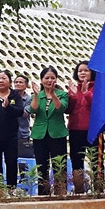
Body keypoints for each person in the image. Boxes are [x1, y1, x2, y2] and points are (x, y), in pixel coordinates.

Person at [30, 67, 68, 195]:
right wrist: (35, 94)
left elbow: (60, 108)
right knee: (41, 167)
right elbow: (33, 110)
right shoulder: (37, 95)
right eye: (46, 78)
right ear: (41, 80)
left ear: (56, 79)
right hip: (40, 135)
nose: (49, 80)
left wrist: (53, 94)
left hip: (57, 134)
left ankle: (60, 193)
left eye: (52, 77)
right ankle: (43, 194)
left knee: (59, 167)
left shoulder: (62, 94)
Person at [66, 61, 96, 193]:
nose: (82, 73)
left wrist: (86, 93)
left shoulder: (98, 87)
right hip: (75, 129)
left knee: (96, 160)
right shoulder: (74, 88)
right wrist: (72, 96)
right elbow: (68, 110)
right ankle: (79, 190)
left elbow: (97, 107)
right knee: (77, 161)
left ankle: (99, 190)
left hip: (94, 130)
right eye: (80, 71)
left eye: (86, 70)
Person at [14, 75, 34, 159]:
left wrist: (10, 108)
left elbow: (25, 113)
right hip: (9, 134)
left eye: (21, 82)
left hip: (22, 134)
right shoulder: (9, 97)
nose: (18, 84)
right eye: (16, 82)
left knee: (23, 161)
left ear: (26, 85)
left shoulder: (29, 99)